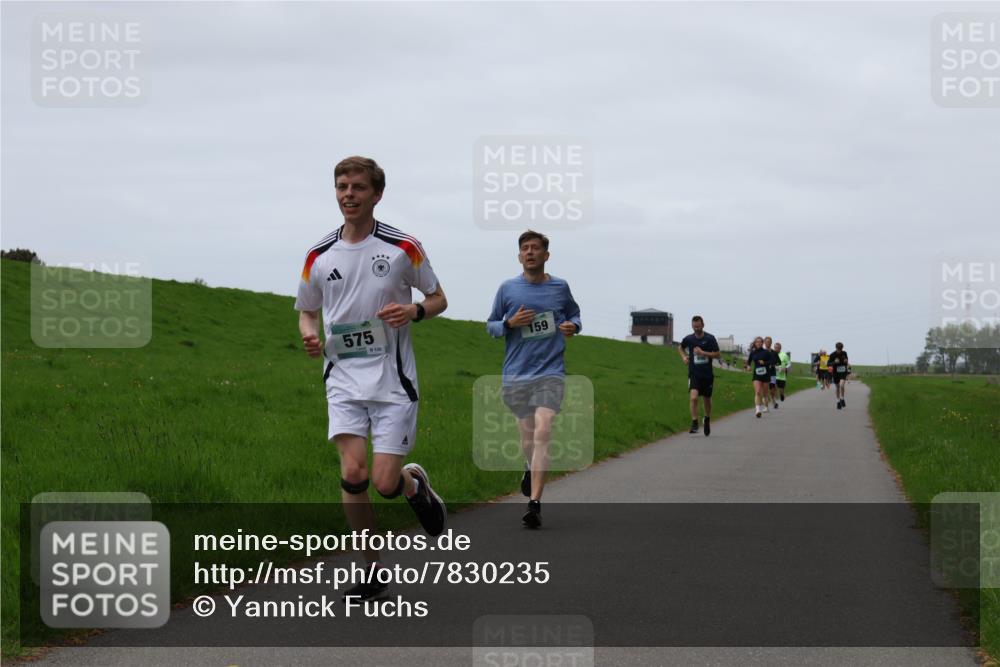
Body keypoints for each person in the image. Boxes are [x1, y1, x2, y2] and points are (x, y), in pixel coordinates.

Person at [295, 156, 448, 601]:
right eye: (341, 186)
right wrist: (309, 335)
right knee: (354, 473)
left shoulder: (403, 248)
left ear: (377, 194)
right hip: (342, 377)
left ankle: (413, 485)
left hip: (392, 381)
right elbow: (307, 308)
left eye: (358, 187)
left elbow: (439, 297)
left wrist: (414, 310)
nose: (348, 194)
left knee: (384, 483)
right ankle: (371, 570)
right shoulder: (318, 255)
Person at [487, 230, 581, 529]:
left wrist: (572, 326)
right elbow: (490, 326)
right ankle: (529, 467)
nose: (530, 252)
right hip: (516, 374)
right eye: (525, 248)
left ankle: (535, 503)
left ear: (546, 255)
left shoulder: (559, 287)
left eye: (535, 248)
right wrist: (508, 323)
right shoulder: (507, 289)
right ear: (519, 256)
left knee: (543, 430)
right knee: (528, 439)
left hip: (551, 372)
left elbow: (575, 314)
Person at [678, 316, 721, 436]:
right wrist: (684, 357)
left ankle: (707, 419)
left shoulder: (710, 338)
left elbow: (717, 354)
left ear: (703, 325)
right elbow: (680, 347)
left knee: (707, 399)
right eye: (694, 326)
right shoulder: (689, 339)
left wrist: (703, 353)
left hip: (707, 374)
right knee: (693, 397)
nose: (696, 328)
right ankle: (694, 422)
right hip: (694, 373)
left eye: (698, 326)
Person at [744, 336, 771, 418]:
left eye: (760, 342)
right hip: (757, 375)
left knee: (765, 394)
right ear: (755, 343)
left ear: (762, 343)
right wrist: (748, 367)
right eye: (757, 342)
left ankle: (766, 406)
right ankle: (758, 410)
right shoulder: (753, 353)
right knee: (758, 392)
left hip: (765, 374)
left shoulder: (766, 352)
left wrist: (764, 363)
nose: (758, 343)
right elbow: (748, 363)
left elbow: (771, 362)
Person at [828, 342, 850, 409]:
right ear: (836, 348)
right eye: (838, 349)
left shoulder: (844, 353)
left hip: (843, 372)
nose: (839, 351)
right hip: (835, 373)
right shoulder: (832, 355)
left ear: (842, 348)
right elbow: (828, 364)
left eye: (840, 349)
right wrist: (834, 362)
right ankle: (838, 402)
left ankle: (842, 398)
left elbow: (846, 360)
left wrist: (846, 361)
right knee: (837, 387)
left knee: (841, 385)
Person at [763, 336, 779, 409]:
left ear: (771, 343)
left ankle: (773, 399)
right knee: (765, 389)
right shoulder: (762, 352)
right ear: (764, 343)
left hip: (772, 373)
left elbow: (779, 362)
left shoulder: (774, 353)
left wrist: (775, 365)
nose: (767, 343)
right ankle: (766, 406)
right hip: (764, 373)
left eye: (769, 342)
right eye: (766, 342)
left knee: (772, 389)